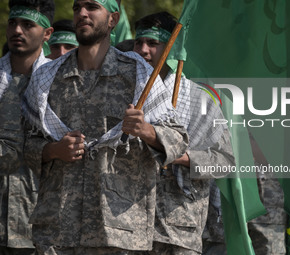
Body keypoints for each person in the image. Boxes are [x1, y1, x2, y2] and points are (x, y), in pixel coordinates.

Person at [22, 0, 188, 254]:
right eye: (77, 7)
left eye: (92, 6)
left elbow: (178, 139)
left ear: (113, 19)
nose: (82, 13)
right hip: (57, 232)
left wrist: (145, 130)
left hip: (119, 231)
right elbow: (24, 143)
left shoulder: (139, 74)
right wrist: (55, 150)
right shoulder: (47, 76)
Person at [134, 12, 234, 254]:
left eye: (153, 43)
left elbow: (225, 161)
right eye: (139, 42)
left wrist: (176, 153)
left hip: (177, 231)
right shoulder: (121, 91)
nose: (144, 50)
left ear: (172, 48)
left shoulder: (199, 98)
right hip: (127, 229)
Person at [0, 0, 54, 254]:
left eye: (27, 24)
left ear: (47, 33)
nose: (17, 30)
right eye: (13, 23)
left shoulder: (60, 83)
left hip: (42, 226)